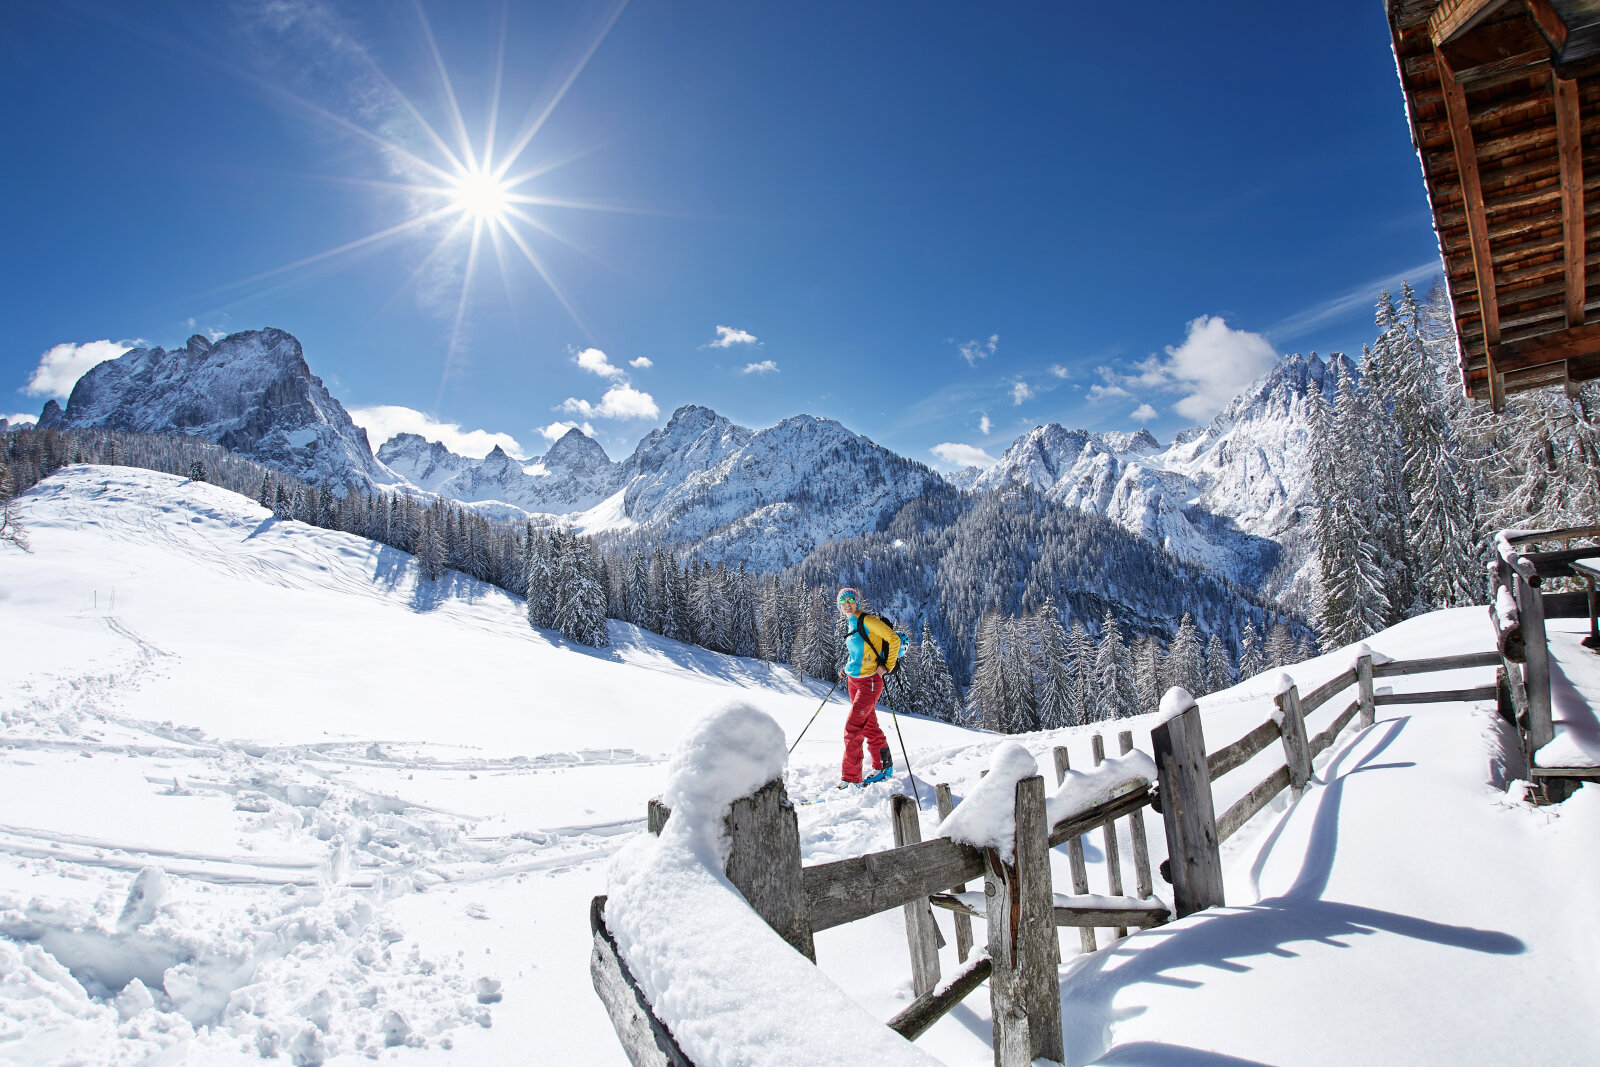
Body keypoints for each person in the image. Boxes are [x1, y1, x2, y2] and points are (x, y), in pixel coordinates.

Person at [835, 587, 900, 787]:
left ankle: (851, 778)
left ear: (857, 602)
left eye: (851, 600)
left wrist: (887, 666)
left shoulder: (868, 621)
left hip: (870, 681)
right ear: (839, 606)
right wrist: (848, 668)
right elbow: (860, 651)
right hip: (854, 679)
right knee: (868, 724)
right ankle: (883, 766)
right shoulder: (850, 622)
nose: (847, 604)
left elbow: (893, 639)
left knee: (853, 727)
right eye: (843, 601)